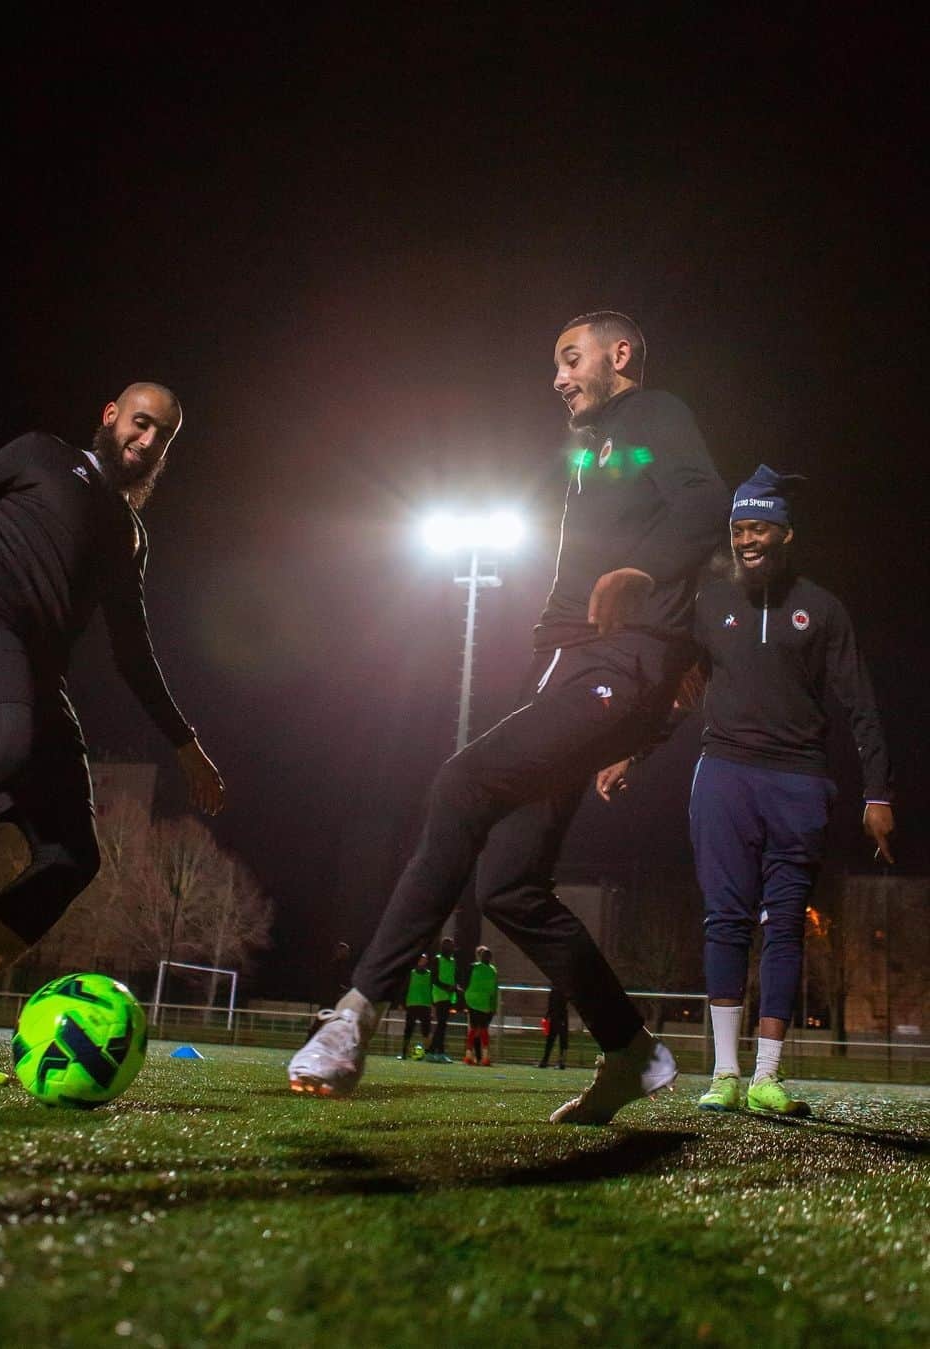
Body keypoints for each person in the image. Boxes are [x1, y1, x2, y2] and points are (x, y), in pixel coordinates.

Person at [289, 310, 730, 1123]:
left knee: (460, 783)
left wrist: (644, 574)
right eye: (555, 365)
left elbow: (707, 504)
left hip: (611, 661)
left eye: (572, 358)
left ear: (620, 354)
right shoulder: (598, 445)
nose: (559, 377)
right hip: (572, 666)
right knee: (510, 886)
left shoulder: (654, 412)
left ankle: (354, 1014)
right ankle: (632, 1049)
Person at [0, 383, 225, 1084]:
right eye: (141, 424)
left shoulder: (132, 534)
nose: (146, 443)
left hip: (37, 682)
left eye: (162, 438)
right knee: (2, 746)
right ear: (110, 414)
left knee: (70, 858)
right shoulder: (41, 456)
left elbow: (132, 652)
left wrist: (185, 743)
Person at [596, 465, 894, 1116]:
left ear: (786, 534)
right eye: (738, 529)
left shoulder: (825, 607)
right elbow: (679, 695)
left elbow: (861, 702)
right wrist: (633, 752)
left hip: (800, 780)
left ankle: (767, 1076)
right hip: (725, 773)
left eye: (759, 527)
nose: (747, 539)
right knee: (725, 919)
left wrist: (878, 791)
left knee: (785, 925)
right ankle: (726, 1074)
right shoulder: (711, 602)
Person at [426, 935, 460, 1063]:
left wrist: (456, 988)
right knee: (441, 1024)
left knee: (442, 1025)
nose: (451, 948)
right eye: (448, 946)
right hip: (440, 995)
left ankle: (436, 1052)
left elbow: (453, 977)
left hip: (449, 996)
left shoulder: (452, 961)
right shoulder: (437, 959)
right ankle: (435, 1052)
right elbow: (434, 979)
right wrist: (447, 987)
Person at [463, 945, 498, 1066]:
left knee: (474, 1029)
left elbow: (465, 981)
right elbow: (494, 989)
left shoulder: (474, 967)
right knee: (482, 1030)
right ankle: (485, 1057)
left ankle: (469, 1056)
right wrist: (494, 1006)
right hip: (483, 1003)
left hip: (473, 1001)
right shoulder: (492, 970)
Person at [397, 952, 433, 1059]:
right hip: (412, 1004)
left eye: (424, 959)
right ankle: (404, 1052)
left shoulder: (430, 974)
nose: (422, 961)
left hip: (425, 1005)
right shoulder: (411, 973)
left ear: (426, 961)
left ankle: (427, 1053)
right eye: (420, 959)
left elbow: (432, 990)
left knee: (426, 1030)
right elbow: (404, 989)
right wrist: (401, 1003)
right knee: (408, 1029)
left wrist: (433, 1006)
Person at [538, 985, 568, 1069]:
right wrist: (547, 1015)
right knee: (551, 1039)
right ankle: (545, 1061)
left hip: (560, 1016)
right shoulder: (555, 988)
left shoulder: (560, 988)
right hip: (555, 1016)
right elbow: (551, 1004)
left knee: (562, 1039)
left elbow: (561, 1003)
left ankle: (561, 1062)